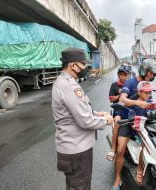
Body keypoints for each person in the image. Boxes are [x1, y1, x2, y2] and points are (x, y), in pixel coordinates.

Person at [52, 47, 113, 190]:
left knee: (77, 185)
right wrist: (107, 120)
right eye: (83, 64)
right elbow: (85, 120)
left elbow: (78, 111)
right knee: (81, 186)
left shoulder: (63, 82)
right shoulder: (68, 86)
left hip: (73, 148)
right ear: (73, 65)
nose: (86, 67)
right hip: (76, 150)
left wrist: (97, 114)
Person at [111, 59, 156, 190]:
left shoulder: (147, 85)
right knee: (120, 149)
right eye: (151, 73)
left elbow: (150, 103)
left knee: (152, 146)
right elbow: (122, 99)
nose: (153, 77)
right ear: (144, 70)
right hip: (127, 120)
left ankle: (143, 171)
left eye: (154, 75)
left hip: (143, 121)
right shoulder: (130, 82)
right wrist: (137, 103)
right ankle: (118, 178)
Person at [107, 64, 131, 161]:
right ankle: (113, 148)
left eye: (125, 75)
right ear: (118, 75)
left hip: (130, 110)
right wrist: (120, 96)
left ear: (128, 75)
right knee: (117, 122)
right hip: (118, 110)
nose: (123, 77)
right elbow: (111, 99)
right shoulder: (114, 85)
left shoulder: (130, 85)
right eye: (121, 75)